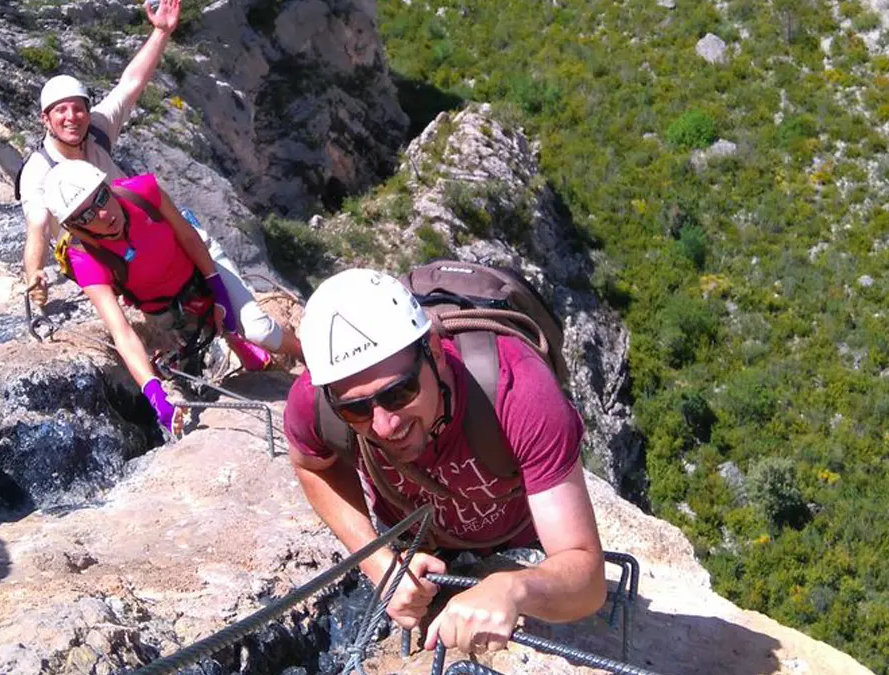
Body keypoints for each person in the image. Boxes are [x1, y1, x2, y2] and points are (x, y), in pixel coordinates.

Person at [283, 269, 606, 654]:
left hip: (519, 536)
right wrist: (381, 565)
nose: (385, 425)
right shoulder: (319, 400)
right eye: (356, 410)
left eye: (399, 391)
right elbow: (312, 465)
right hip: (419, 543)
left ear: (434, 352)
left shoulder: (516, 390)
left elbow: (587, 578)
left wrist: (513, 587)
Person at [41, 160, 302, 433]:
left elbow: (189, 238)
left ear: (107, 186)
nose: (102, 215)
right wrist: (154, 394)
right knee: (186, 360)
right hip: (162, 302)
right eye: (85, 217)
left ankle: (304, 354)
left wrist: (220, 294)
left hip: (201, 262)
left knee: (260, 331)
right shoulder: (85, 258)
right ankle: (233, 337)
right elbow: (121, 331)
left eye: (101, 198)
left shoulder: (141, 192)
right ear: (74, 226)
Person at [20, 0, 182, 308]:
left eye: (78, 108)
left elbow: (130, 84)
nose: (72, 117)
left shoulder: (96, 127)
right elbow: (37, 225)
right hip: (102, 256)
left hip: (138, 230)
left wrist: (161, 32)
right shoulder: (39, 169)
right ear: (46, 119)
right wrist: (35, 271)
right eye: (61, 111)